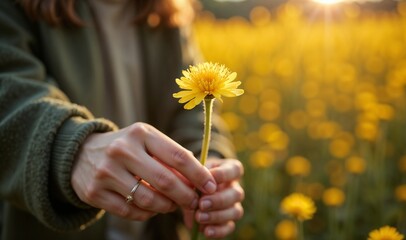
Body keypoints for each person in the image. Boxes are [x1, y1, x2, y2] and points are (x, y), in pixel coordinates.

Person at [0, 0, 245, 239]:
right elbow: (8, 89)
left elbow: (187, 113)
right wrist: (71, 149)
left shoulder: (168, 10)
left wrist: (209, 169)